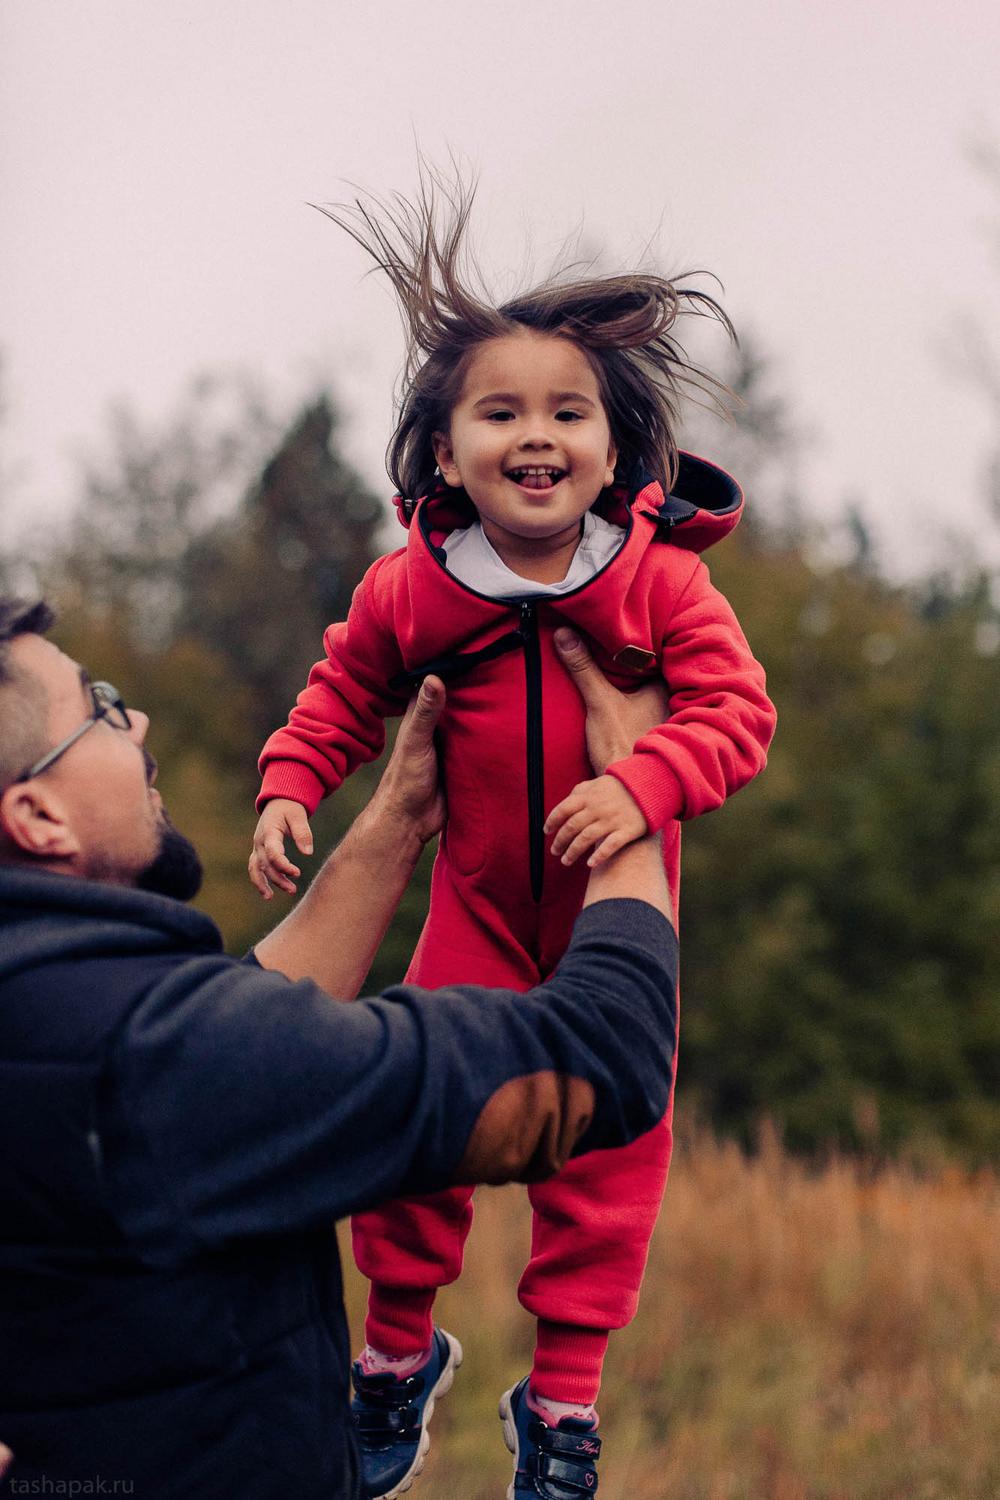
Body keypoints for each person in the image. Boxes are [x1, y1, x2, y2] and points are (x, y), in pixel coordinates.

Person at [250, 176, 777, 1498]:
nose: (534, 434)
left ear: (612, 450)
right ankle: (390, 1357)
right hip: (478, 907)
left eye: (566, 411)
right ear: (446, 453)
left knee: (609, 1145)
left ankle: (563, 1405)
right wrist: (290, 787)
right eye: (500, 412)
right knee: (419, 1111)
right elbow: (340, 693)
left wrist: (648, 781)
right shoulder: (414, 589)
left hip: (605, 922)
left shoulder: (661, 583)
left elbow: (739, 713)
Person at [0, 595, 680, 1500]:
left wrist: (398, 818)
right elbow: (603, 1058)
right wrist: (634, 805)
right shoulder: (149, 1053)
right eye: (101, 707)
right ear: (39, 815)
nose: (140, 719)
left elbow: (246, 1017)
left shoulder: (53, 1010)